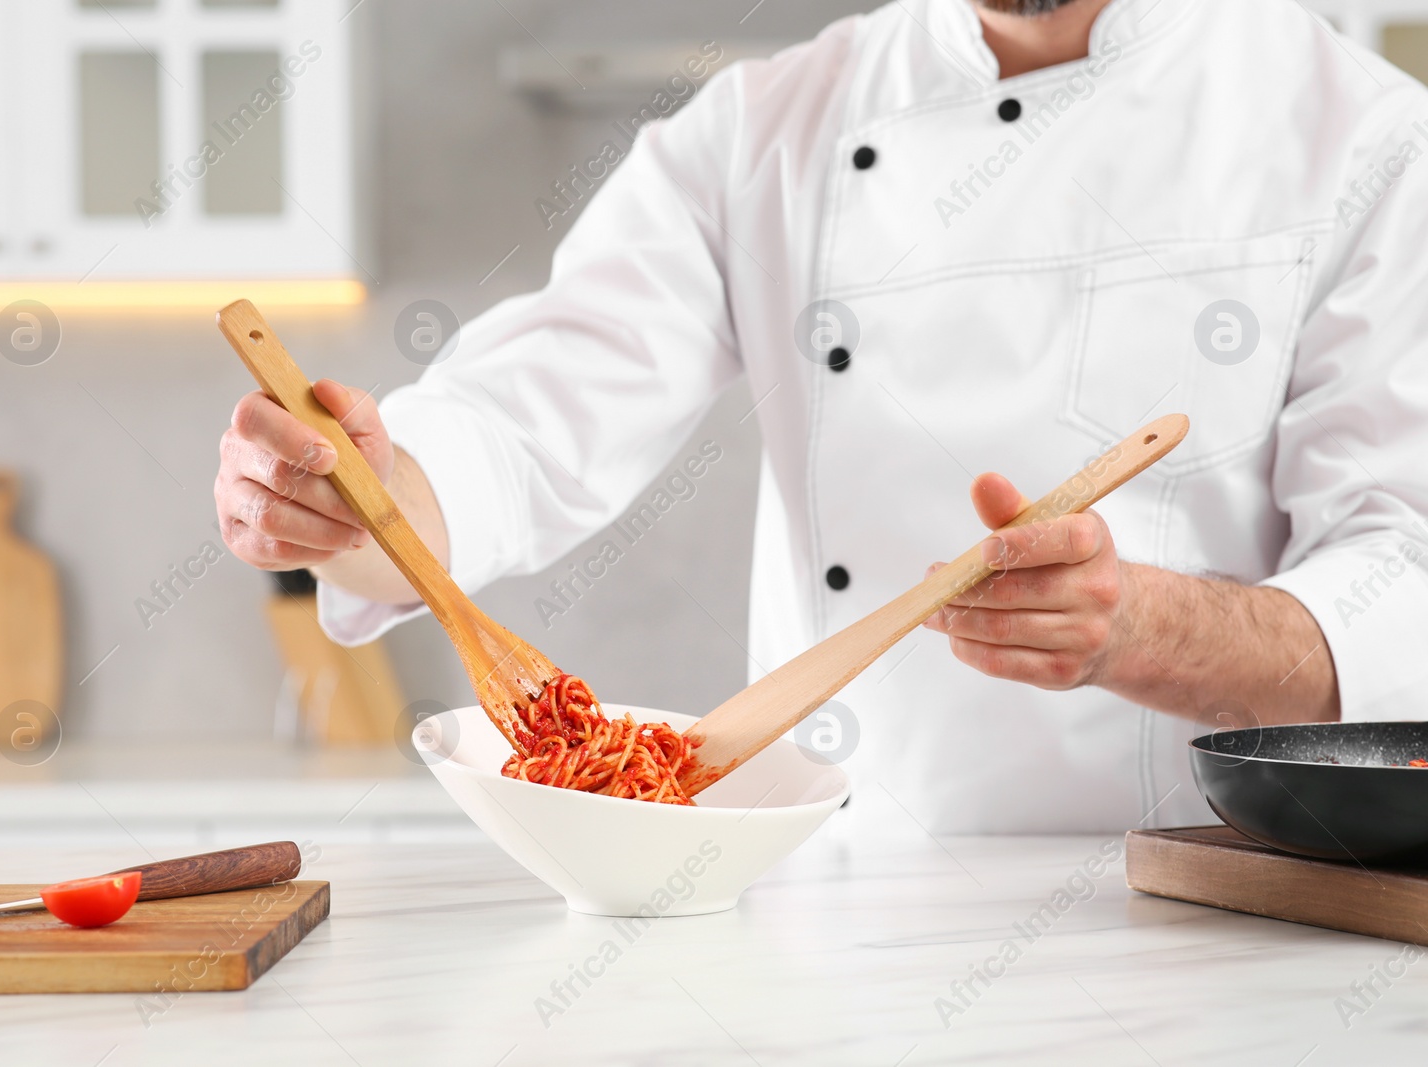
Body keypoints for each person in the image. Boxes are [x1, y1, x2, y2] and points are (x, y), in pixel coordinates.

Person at [214, 0, 1428, 832]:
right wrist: (363, 497)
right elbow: (527, 415)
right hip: (844, 907)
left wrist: (1141, 628)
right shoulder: (768, 123)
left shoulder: (1361, 132)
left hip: (1200, 925)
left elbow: (1404, 579)